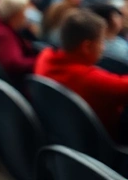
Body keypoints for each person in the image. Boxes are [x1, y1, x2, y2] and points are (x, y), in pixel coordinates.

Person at [34, 10, 128, 142]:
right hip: (100, 144)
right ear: (87, 46)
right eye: (101, 42)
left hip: (63, 134)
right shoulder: (88, 79)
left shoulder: (45, 56)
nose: (103, 48)